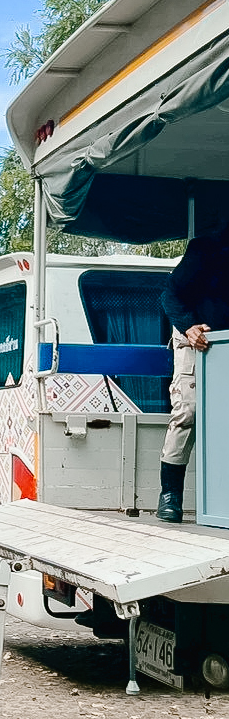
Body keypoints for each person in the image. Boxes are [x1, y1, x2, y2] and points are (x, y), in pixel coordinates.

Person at [158, 222, 229, 522]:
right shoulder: (204, 249)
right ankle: (170, 494)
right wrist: (188, 327)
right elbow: (169, 295)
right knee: (188, 410)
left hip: (225, 339)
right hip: (193, 334)